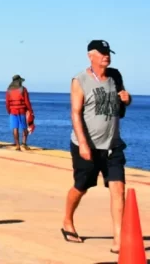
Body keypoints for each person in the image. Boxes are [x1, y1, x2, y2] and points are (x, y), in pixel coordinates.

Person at [61, 40, 132, 255]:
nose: (106, 56)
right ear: (90, 56)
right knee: (81, 186)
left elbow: (122, 101)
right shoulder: (79, 80)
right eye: (101, 53)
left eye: (107, 53)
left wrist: (128, 100)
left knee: (118, 190)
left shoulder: (115, 76)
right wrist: (83, 143)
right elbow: (75, 113)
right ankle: (67, 219)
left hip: (113, 145)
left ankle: (119, 239)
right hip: (87, 146)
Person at [6, 74, 34, 151]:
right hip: (21, 111)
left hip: (12, 111)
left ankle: (18, 145)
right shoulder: (23, 89)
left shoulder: (9, 90)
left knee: (15, 128)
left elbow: (7, 103)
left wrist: (9, 111)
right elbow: (27, 102)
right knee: (24, 127)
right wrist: (30, 111)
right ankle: (24, 143)